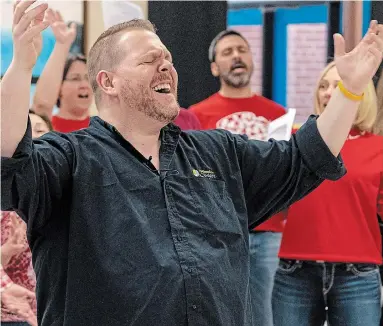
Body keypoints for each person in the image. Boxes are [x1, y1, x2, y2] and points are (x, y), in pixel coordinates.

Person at [2, 2, 383, 325]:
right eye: (150, 60)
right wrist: (21, 66)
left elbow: (304, 158)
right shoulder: (69, 159)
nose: (167, 66)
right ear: (109, 82)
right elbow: (8, 162)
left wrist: (349, 91)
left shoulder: (219, 152)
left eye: (168, 59)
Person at [272, 61, 383, 326]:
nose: (328, 92)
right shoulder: (295, 139)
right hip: (295, 270)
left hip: (357, 274)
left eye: (338, 85)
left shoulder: (378, 146)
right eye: (323, 86)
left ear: (360, 92)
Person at [189, 30, 287, 326]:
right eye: (228, 52)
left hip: (268, 232)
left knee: (264, 317)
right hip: (215, 230)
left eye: (242, 50)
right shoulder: (196, 116)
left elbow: (285, 173)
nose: (237, 56)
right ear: (215, 67)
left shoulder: (277, 114)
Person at [1, 111, 52, 326]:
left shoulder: (68, 191)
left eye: (39, 130)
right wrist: (7, 251)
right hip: (13, 314)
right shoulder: (5, 198)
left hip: (56, 309)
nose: (30, 138)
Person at [32, 8, 93, 132]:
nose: (84, 85)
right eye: (75, 78)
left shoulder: (104, 129)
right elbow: (41, 106)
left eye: (88, 78)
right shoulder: (45, 129)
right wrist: (62, 44)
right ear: (59, 88)